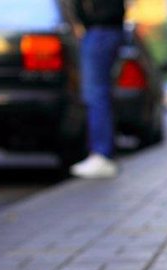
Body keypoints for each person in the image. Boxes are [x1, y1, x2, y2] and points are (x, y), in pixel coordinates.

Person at [70, 0, 125, 178]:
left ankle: (101, 155)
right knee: (98, 94)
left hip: (100, 28)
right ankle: (102, 154)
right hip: (102, 27)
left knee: (95, 94)